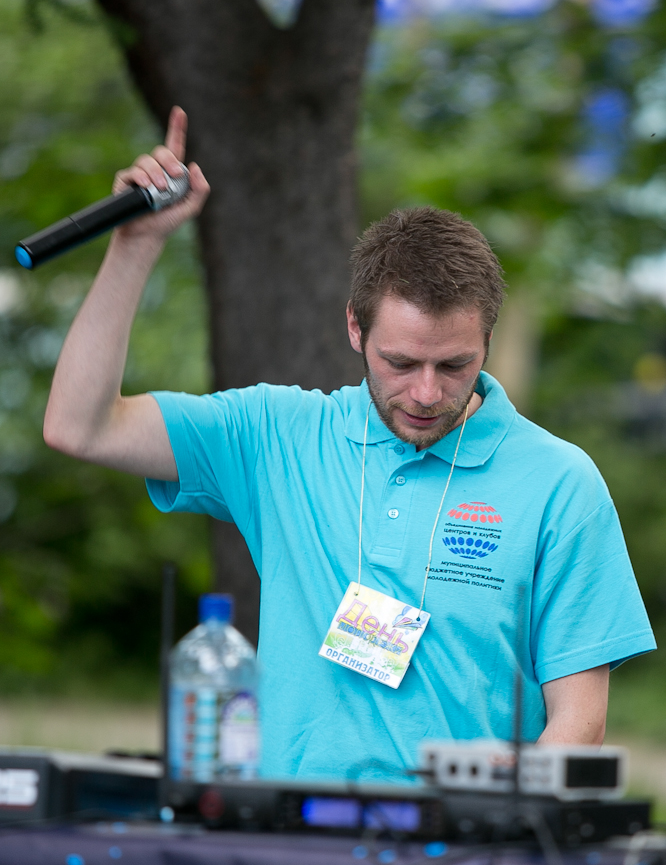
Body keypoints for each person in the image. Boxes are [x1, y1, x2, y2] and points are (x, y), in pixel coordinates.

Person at [44, 107, 656, 782]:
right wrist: (134, 247)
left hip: (457, 838)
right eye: (401, 363)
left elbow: (579, 724)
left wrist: (502, 816)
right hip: (290, 830)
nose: (426, 392)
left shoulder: (561, 483)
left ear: (487, 339)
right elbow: (80, 426)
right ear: (355, 330)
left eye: (454, 365)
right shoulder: (276, 433)